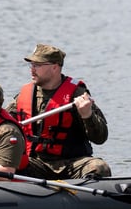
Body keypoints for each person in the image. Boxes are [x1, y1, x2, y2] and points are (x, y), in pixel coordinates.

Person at [7, 44, 112, 179]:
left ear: (54, 67)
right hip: (37, 163)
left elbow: (100, 138)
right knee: (8, 164)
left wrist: (87, 115)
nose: (32, 70)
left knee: (99, 167)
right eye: (31, 65)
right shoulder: (24, 95)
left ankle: (83, 195)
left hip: (72, 163)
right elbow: (3, 124)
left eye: (37, 65)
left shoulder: (78, 94)